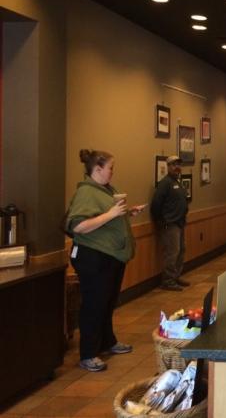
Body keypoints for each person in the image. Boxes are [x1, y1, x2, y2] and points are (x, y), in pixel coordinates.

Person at [65, 149, 146, 372]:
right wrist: (111, 214)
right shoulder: (86, 192)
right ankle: (88, 353)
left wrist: (127, 213)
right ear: (98, 169)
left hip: (111, 257)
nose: (113, 172)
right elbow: (78, 225)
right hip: (93, 257)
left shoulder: (107, 190)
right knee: (94, 304)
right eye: (110, 168)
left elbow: (104, 218)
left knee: (108, 302)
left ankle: (107, 342)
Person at [150, 155, 190, 291]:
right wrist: (161, 221)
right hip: (170, 224)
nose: (177, 167)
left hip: (180, 223)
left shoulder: (177, 182)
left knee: (181, 251)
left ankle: (176, 276)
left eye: (178, 164)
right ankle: (168, 281)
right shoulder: (165, 183)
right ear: (168, 167)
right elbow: (155, 205)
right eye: (173, 164)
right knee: (172, 253)